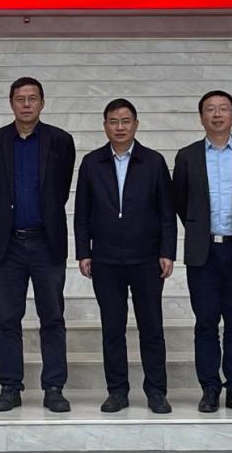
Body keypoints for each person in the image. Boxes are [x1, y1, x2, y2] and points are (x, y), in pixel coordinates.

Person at [74, 98, 176, 414]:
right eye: (114, 121)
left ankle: (156, 391)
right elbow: (81, 212)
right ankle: (117, 391)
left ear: (136, 124)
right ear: (105, 126)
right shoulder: (92, 163)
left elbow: (167, 212)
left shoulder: (154, 161)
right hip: (105, 259)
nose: (120, 127)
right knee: (113, 329)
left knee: (152, 327)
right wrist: (83, 252)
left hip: (146, 258)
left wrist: (167, 251)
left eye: (125, 121)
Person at [0, 76, 76, 412]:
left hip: (46, 243)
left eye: (32, 98)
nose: (26, 104)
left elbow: (60, 190)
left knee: (52, 317)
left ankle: (54, 387)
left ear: (42, 103)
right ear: (11, 103)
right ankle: (10, 387)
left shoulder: (60, 141)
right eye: (20, 99)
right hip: (8, 244)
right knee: (7, 318)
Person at [172, 90, 232, 414]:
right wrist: (199, 229)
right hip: (204, 252)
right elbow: (180, 201)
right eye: (210, 109)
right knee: (206, 323)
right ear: (201, 117)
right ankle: (210, 387)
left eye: (223, 109)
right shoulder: (187, 156)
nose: (217, 114)